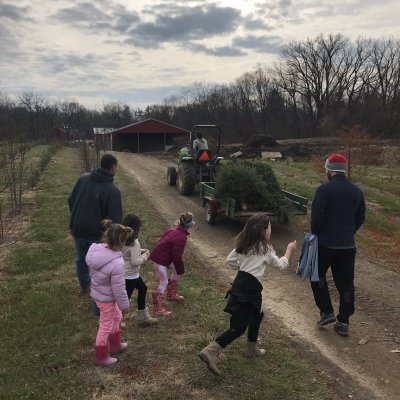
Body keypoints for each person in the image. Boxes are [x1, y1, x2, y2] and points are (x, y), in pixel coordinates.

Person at [198, 214, 297, 375]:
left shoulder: (243, 244)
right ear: (264, 231)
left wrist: (243, 268)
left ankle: (251, 349)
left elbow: (230, 261)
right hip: (250, 290)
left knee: (258, 314)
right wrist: (288, 251)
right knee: (238, 327)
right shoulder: (265, 249)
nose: (270, 230)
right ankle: (211, 350)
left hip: (240, 284)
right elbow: (280, 265)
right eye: (269, 227)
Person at [310, 153, 366, 337]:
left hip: (326, 243)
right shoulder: (357, 192)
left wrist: (317, 233)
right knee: (346, 284)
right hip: (348, 246)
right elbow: (360, 218)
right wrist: (349, 232)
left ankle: (326, 311)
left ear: (329, 170)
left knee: (317, 276)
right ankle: (343, 321)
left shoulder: (324, 190)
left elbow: (316, 219)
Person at [68, 154, 123, 302]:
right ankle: (98, 295)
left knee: (81, 259)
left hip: (78, 229)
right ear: (113, 168)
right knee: (100, 266)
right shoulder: (113, 190)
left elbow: (70, 199)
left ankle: (85, 286)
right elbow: (115, 221)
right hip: (97, 235)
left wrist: (77, 218)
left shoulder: (83, 178)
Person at [85, 220, 132, 366]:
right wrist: (125, 305)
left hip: (99, 293)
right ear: (122, 242)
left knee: (116, 316)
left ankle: (115, 344)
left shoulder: (96, 251)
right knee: (105, 326)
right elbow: (118, 288)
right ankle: (101, 356)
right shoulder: (117, 263)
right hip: (107, 299)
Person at [150, 212, 194, 316]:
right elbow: (177, 257)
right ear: (190, 224)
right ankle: (158, 307)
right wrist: (180, 268)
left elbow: (161, 242)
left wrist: (178, 269)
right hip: (159, 259)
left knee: (176, 271)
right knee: (163, 281)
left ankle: (171, 294)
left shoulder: (173, 230)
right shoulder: (181, 237)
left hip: (164, 258)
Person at [121, 213, 157, 326]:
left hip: (125, 273)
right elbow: (135, 262)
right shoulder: (134, 243)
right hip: (131, 275)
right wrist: (145, 255)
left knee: (143, 289)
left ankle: (142, 317)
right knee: (125, 300)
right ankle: (114, 320)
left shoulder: (121, 237)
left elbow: (126, 252)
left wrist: (140, 250)